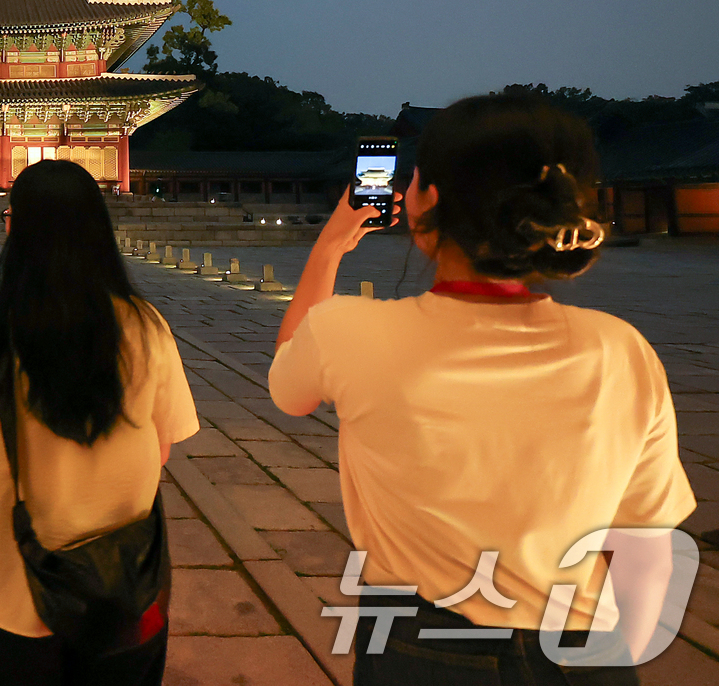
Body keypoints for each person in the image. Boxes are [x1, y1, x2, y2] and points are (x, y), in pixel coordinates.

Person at [268, 94, 695, 685]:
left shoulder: (349, 331)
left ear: (428, 204)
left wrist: (332, 243)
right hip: (582, 644)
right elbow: (646, 547)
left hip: (420, 643)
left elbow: (288, 389)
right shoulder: (619, 349)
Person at [0, 160, 199, 686]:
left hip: (10, 593)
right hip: (124, 592)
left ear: (14, 229)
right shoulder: (146, 325)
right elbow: (162, 450)